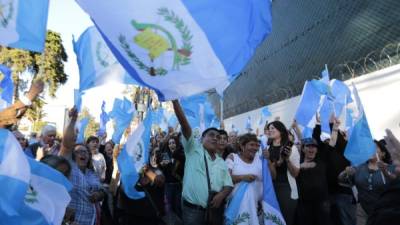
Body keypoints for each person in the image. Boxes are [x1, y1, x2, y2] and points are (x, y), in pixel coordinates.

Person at [172, 100, 233, 225]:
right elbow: (184, 125)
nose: (215, 138)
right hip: (192, 212)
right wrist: (174, 100)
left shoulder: (221, 162)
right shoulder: (193, 149)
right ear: (202, 139)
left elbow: (229, 185)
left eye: (218, 137)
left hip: (214, 212)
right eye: (211, 135)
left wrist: (222, 195)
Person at [59, 107, 105, 225]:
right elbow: (66, 144)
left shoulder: (92, 173)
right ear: (73, 155)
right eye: (79, 151)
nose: (83, 153)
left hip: (91, 220)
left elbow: (101, 190)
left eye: (86, 152)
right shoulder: (69, 168)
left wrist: (99, 195)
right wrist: (73, 120)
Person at [338, 140, 397, 225]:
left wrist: (386, 173)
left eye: (374, 147)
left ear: (383, 154)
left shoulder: (392, 169)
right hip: (363, 213)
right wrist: (345, 173)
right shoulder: (358, 168)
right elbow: (341, 180)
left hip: (386, 213)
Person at [225, 133, 265, 225]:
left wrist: (268, 160)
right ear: (242, 145)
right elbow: (225, 178)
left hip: (257, 208)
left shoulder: (260, 159)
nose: (255, 148)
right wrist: (243, 177)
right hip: (236, 207)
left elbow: (272, 177)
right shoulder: (232, 157)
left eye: (257, 145)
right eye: (251, 144)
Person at [265, 121, 300, 225]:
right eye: (269, 128)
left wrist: (287, 160)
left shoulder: (291, 148)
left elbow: (295, 174)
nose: (270, 130)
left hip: (286, 188)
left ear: (280, 130)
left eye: (273, 128)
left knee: (286, 219)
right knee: (271, 220)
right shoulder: (266, 149)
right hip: (270, 188)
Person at [296, 138, 331, 225]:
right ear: (303, 149)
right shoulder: (297, 163)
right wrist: (300, 166)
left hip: (322, 203)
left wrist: (334, 127)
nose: (311, 149)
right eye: (308, 146)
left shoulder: (322, 159)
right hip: (304, 204)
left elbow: (332, 143)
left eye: (314, 147)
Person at [157, 134, 185, 218]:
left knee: (178, 207)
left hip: (178, 185)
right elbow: (160, 169)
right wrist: (162, 165)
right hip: (168, 185)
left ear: (176, 144)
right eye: (169, 143)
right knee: (168, 207)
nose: (171, 145)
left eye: (173, 143)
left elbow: (183, 170)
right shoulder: (164, 156)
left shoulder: (181, 156)